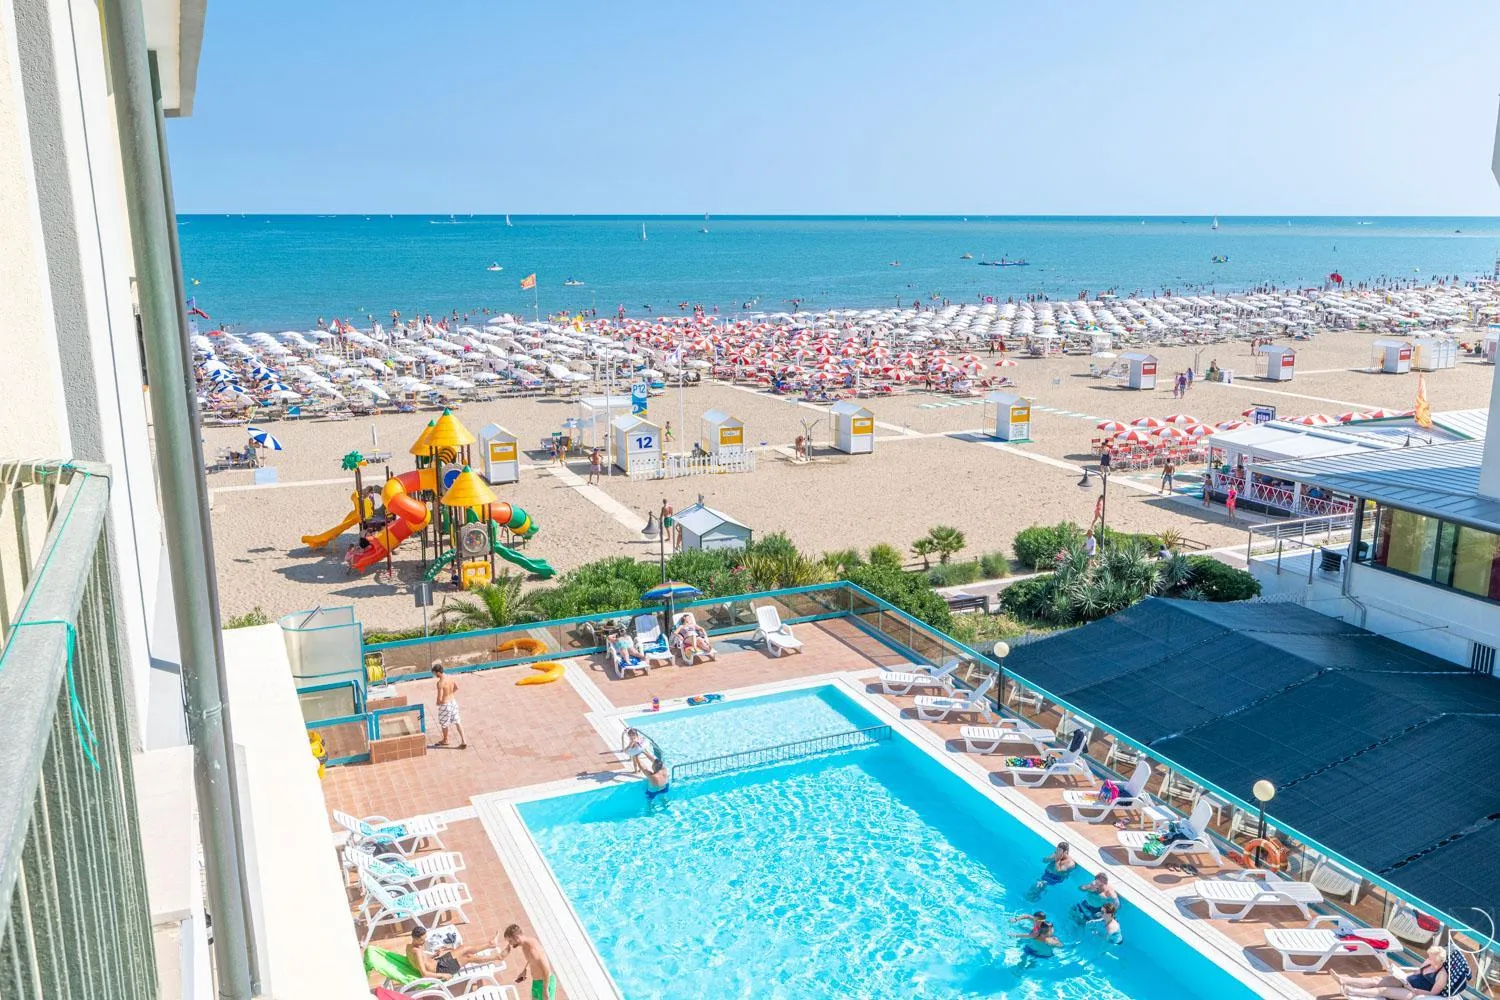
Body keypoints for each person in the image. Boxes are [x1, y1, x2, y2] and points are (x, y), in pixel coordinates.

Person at [1337, 946, 1452, 998]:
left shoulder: (1442, 976)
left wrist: (1413, 989)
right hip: (1406, 982)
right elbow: (1417, 972)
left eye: (1431, 958)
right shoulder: (1429, 962)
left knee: (1382, 990)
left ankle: (1349, 990)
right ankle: (1345, 979)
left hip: (1412, 993)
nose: (1428, 958)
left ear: (1438, 960)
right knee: (1376, 980)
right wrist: (1402, 975)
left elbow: (1432, 993)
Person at [408, 925, 502, 979]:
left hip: (439, 961)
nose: (424, 941)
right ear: (415, 938)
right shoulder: (417, 952)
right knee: (469, 957)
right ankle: (496, 958)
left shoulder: (409, 946)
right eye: (422, 940)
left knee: (463, 948)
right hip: (441, 970)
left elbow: (421, 961)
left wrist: (434, 955)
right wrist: (443, 975)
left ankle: (491, 944)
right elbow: (424, 973)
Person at [499, 924, 556, 1000]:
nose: (510, 944)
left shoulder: (534, 949)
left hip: (545, 983)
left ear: (517, 937)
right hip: (536, 982)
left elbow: (546, 971)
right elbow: (532, 959)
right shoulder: (524, 946)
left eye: (510, 941)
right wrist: (524, 970)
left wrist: (545, 990)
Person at [432, 663, 467, 749]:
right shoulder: (450, 677)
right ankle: (464, 740)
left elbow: (439, 698)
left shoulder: (440, 683)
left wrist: (438, 703)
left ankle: (445, 740)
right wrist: (450, 694)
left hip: (445, 705)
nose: (434, 675)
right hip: (453, 702)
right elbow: (456, 687)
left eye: (434, 673)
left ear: (438, 672)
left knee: (444, 724)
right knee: (457, 721)